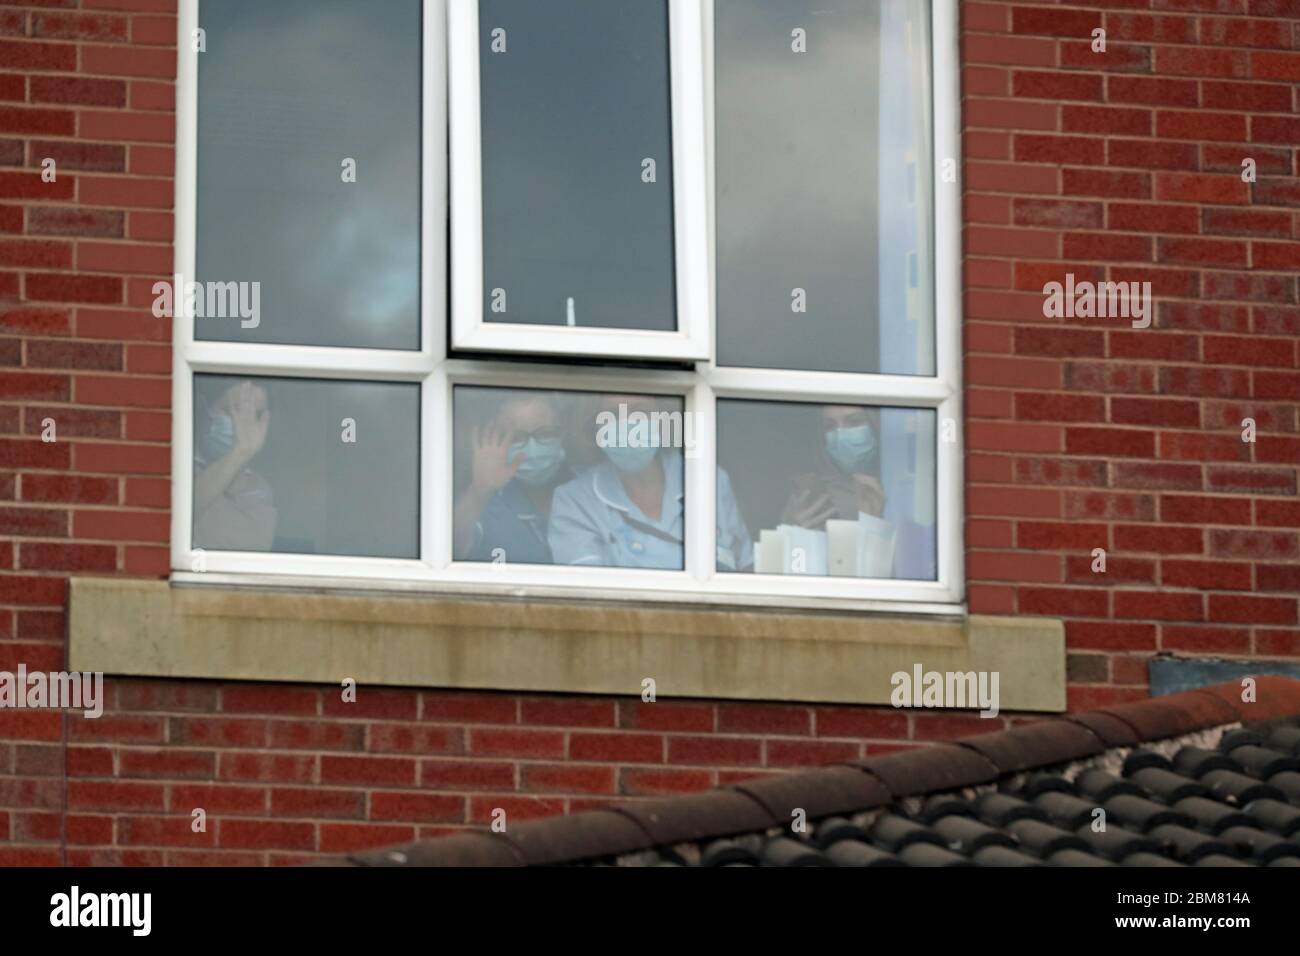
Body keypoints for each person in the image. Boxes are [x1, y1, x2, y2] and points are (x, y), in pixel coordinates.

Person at [548, 394, 752, 571]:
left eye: (640, 413)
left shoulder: (709, 480)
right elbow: (586, 595)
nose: (628, 427)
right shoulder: (574, 501)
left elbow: (743, 566)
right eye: (613, 415)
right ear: (594, 427)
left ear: (663, 417)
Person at [778, 404, 935, 579]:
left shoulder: (913, 486)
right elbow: (787, 575)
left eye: (855, 422)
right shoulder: (811, 498)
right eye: (829, 426)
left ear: (878, 424)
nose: (840, 435)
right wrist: (799, 536)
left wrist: (875, 524)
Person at [453, 392, 572, 564]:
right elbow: (444, 548)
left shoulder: (588, 490)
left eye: (545, 434)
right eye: (516, 438)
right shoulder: (485, 505)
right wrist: (479, 492)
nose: (532, 449)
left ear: (563, 436)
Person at [193, 379, 276, 551]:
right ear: (206, 410)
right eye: (234, 410)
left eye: (256, 414)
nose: (244, 424)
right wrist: (239, 452)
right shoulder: (179, 467)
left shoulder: (259, 488)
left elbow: (253, 548)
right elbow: (177, 516)